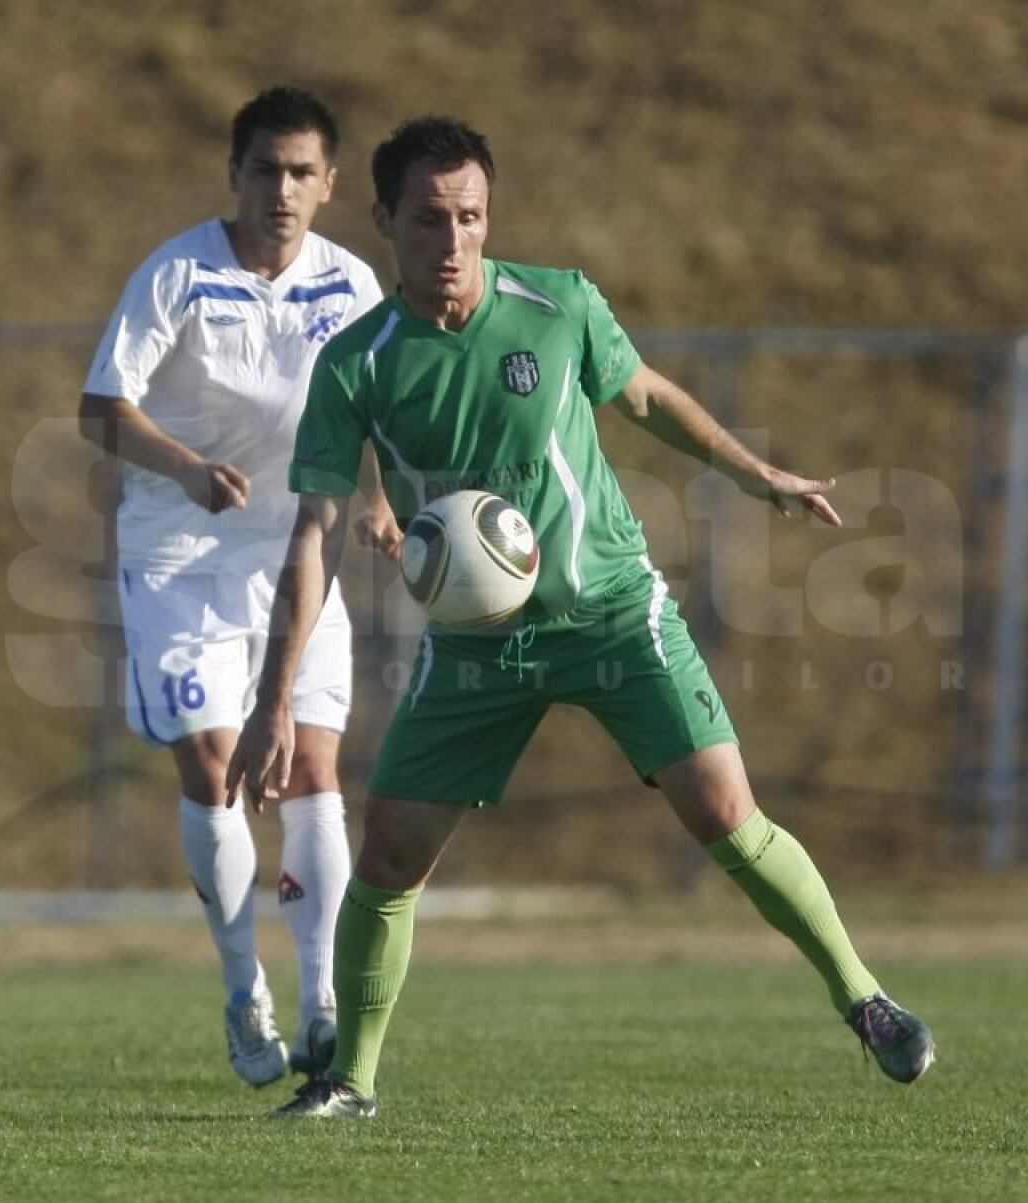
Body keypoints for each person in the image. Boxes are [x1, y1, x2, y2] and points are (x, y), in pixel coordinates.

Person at [226, 116, 936, 1119]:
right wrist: (270, 706)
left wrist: (757, 474)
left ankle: (865, 999)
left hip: (610, 612)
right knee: (387, 855)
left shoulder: (557, 304)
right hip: (474, 645)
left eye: (470, 217)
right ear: (384, 220)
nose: (453, 242)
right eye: (428, 221)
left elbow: (643, 396)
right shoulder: (358, 365)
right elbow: (314, 537)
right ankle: (351, 1083)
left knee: (726, 814)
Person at [79, 86, 399, 1089]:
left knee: (313, 771)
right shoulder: (178, 273)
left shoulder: (350, 284)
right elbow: (100, 409)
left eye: (303, 172)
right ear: (236, 173)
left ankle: (322, 1004)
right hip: (180, 555)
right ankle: (240, 992)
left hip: (299, 556)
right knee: (217, 763)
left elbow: (376, 406)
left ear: (330, 185)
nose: (282, 189)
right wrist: (180, 467)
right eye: (265, 169)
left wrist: (381, 500)